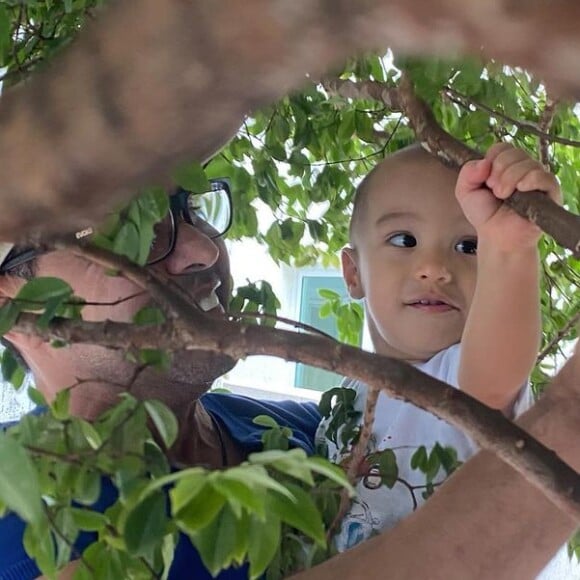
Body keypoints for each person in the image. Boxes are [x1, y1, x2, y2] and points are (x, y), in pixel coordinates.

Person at [0, 180, 320, 579]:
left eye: (192, 210)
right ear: (13, 307)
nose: (206, 250)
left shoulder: (321, 433)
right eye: (133, 229)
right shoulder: (16, 511)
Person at [316, 143, 562, 551]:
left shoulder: (460, 374)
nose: (435, 268)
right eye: (404, 239)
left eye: (469, 246)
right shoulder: (346, 397)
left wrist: (510, 247)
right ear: (353, 273)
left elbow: (493, 383)